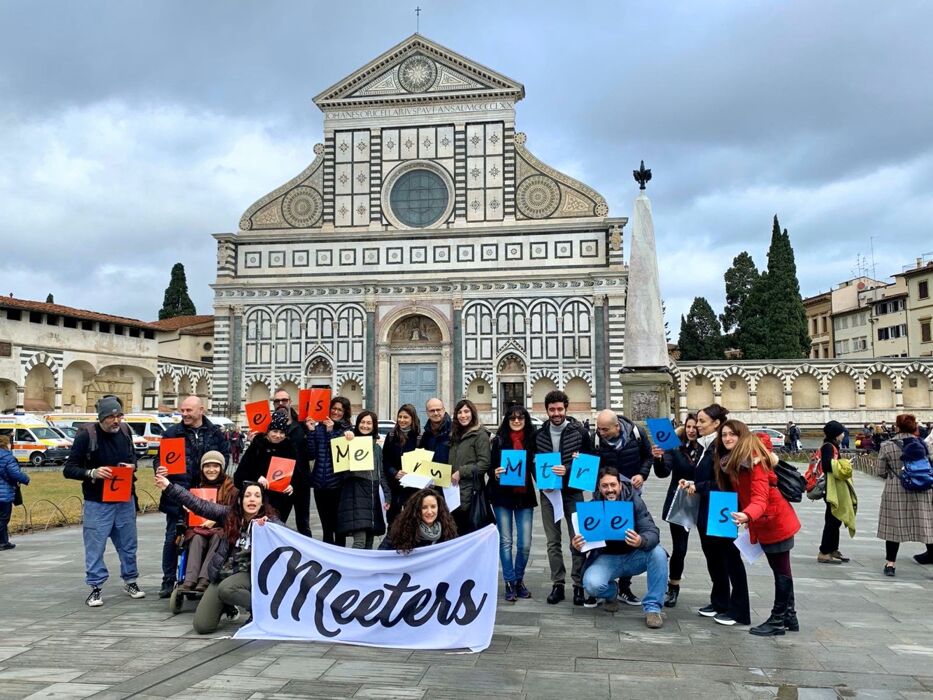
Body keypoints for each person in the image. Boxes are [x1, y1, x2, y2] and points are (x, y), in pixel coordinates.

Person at [154, 475, 279, 633]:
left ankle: (264, 611)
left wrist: (269, 527)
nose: (252, 500)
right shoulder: (229, 515)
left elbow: (287, 538)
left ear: (262, 502)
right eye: (247, 496)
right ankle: (228, 606)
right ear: (240, 501)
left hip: (250, 574)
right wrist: (170, 487)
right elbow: (200, 505)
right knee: (202, 626)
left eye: (257, 496)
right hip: (223, 573)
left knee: (227, 589)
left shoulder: (270, 522)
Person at [63, 396, 145, 607]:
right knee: (95, 546)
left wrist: (131, 467)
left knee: (128, 544)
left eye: (119, 415)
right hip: (97, 501)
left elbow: (133, 457)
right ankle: (95, 587)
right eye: (111, 417)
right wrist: (93, 472)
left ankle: (131, 580)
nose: (116, 420)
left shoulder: (126, 432)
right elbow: (69, 469)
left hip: (124, 498)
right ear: (101, 418)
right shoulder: (86, 436)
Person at [723, 427, 802, 636]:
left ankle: (778, 619)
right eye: (724, 435)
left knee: (781, 571)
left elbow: (760, 498)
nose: (727, 438)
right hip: (768, 520)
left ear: (743, 438)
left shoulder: (755, 463)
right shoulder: (741, 461)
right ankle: (789, 616)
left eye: (732, 434)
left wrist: (747, 515)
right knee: (781, 569)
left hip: (774, 520)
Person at [680, 404, 751, 626]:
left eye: (702, 421)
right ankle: (720, 601)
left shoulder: (722, 448)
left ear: (716, 423)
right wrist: (694, 483)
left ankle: (739, 609)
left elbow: (725, 483)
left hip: (721, 506)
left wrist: (698, 485)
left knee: (730, 558)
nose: (697, 425)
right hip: (708, 506)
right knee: (713, 556)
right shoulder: (704, 446)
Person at [572, 467, 668, 629]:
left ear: (620, 485)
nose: (610, 490)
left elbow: (652, 531)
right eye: (605, 486)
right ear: (599, 487)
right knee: (592, 584)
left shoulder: (634, 500)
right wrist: (576, 546)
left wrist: (641, 540)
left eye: (613, 485)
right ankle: (611, 593)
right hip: (607, 558)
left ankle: (653, 608)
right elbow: (581, 544)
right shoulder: (592, 507)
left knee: (659, 553)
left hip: (634, 555)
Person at [155, 396, 229, 598]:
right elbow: (160, 460)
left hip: (207, 496)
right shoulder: (172, 434)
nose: (184, 414)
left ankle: (199, 578)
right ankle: (168, 580)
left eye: (189, 410)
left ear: (201, 410)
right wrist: (159, 469)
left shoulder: (215, 433)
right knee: (173, 538)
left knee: (205, 535)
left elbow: (225, 459)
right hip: (178, 496)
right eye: (183, 411)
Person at [535, 389, 595, 606]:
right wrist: (542, 482)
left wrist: (569, 468)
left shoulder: (579, 432)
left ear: (566, 409)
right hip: (549, 494)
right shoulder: (539, 434)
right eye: (552, 409)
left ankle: (578, 585)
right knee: (553, 541)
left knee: (577, 539)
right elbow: (535, 463)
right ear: (547, 410)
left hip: (572, 492)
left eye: (560, 409)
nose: (556, 413)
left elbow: (590, 461)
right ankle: (557, 583)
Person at [594, 408, 653, 606]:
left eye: (604, 430)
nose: (601, 433)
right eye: (598, 429)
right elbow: (590, 463)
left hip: (631, 493)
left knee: (630, 534)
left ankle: (625, 586)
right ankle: (604, 579)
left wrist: (642, 474)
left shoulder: (637, 433)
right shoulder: (595, 439)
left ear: (617, 426)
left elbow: (648, 456)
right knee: (604, 534)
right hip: (605, 492)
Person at [488, 405, 538, 602]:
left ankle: (519, 578)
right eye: (512, 418)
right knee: (505, 541)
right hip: (503, 496)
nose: (516, 421)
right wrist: (495, 473)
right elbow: (491, 467)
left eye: (520, 418)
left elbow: (540, 465)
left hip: (524, 496)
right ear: (507, 421)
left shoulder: (532, 441)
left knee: (525, 543)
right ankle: (509, 581)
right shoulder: (499, 441)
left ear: (526, 420)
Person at [651, 413, 701, 608]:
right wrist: (659, 458)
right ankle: (673, 586)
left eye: (695, 427)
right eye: (688, 426)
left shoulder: (708, 450)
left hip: (703, 500)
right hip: (681, 503)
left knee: (712, 547)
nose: (691, 430)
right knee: (680, 547)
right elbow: (663, 472)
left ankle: (720, 591)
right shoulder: (675, 448)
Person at [875, 413, 933, 575]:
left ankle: (890, 564)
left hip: (896, 488)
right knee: (927, 526)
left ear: (897, 427)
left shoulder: (887, 445)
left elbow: (880, 471)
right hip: (922, 489)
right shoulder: (922, 444)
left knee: (894, 528)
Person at [177, 451, 238, 591]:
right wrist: (188, 510)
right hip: (200, 528)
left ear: (221, 468)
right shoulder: (197, 488)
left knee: (218, 537)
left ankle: (205, 578)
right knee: (196, 538)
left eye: (215, 466)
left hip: (222, 528)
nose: (211, 470)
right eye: (207, 466)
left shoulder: (231, 490)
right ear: (202, 469)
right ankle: (190, 579)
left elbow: (235, 514)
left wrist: (215, 520)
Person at [336, 410, 391, 549]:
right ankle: (354, 570)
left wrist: (387, 495)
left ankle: (366, 570)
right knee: (359, 541)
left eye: (369, 423)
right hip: (356, 495)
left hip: (373, 496)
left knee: (369, 541)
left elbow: (381, 473)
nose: (365, 426)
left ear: (374, 426)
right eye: (362, 422)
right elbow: (341, 468)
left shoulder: (377, 448)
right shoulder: (349, 441)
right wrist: (347, 440)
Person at [305, 396, 353, 546]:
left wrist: (331, 431)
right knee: (326, 526)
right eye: (334, 408)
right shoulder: (319, 428)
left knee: (339, 526)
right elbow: (311, 454)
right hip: (320, 485)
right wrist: (312, 431)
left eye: (340, 410)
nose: (336, 412)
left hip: (338, 485)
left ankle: (341, 557)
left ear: (345, 412)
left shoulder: (347, 431)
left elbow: (338, 454)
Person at [234, 411, 296, 523]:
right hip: (258, 499)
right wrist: (257, 477)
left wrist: (292, 485)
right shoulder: (257, 446)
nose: (278, 435)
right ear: (268, 432)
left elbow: (297, 474)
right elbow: (240, 474)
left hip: (280, 501)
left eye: (282, 432)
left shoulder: (289, 448)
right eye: (275, 431)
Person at [271, 389, 313, 537]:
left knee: (304, 524)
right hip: (280, 481)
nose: (281, 403)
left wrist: (311, 432)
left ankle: (309, 556)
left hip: (301, 482)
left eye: (284, 400)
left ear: (290, 402)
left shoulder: (302, 424)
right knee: (277, 522)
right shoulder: (269, 427)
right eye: (277, 401)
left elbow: (312, 452)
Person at [448, 399, 491, 535]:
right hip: (454, 492)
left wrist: (461, 472)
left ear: (473, 413)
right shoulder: (455, 435)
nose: (463, 415)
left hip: (471, 492)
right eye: (459, 412)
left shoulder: (480, 434)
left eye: (466, 411)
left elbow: (484, 464)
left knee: (469, 533)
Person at [379, 488, 458, 554]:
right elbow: (382, 555)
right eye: (424, 507)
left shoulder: (448, 530)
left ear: (439, 508)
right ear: (416, 510)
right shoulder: (400, 530)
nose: (429, 512)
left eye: (433, 507)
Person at [817, 420, 850, 565]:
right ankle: (824, 551)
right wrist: (844, 465)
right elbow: (827, 465)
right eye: (842, 432)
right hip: (830, 488)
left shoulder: (832, 446)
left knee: (835, 519)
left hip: (834, 487)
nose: (843, 435)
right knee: (832, 520)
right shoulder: (828, 447)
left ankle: (832, 548)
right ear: (836, 434)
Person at [382, 404, 421, 525]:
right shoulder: (391, 436)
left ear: (412, 419)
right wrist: (395, 472)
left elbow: (424, 463)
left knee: (412, 521)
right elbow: (385, 460)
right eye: (400, 417)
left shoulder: (419, 438)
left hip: (412, 489)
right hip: (394, 487)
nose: (402, 420)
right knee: (393, 522)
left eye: (406, 417)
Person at [0, 435, 29, 551]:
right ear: (6, 444)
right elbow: (14, 473)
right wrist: (26, 479)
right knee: (3, 518)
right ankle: (2, 542)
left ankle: (4, 541)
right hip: (3, 493)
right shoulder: (7, 457)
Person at [420, 398, 452, 465]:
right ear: (427, 412)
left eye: (438, 410)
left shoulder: (455, 430)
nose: (435, 413)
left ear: (443, 410)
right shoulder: (426, 435)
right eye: (432, 410)